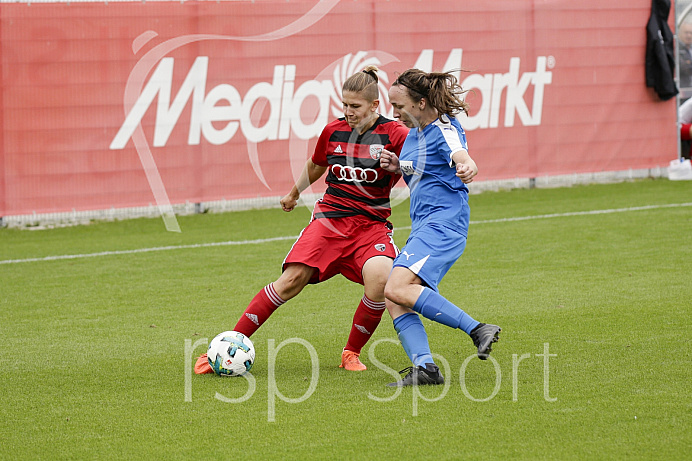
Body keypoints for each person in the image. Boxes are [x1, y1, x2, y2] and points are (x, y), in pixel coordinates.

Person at [195, 65, 410, 374]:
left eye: (355, 106)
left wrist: (399, 167)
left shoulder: (395, 134)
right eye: (345, 105)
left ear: (375, 106)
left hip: (370, 226)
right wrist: (294, 192)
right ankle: (227, 346)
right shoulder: (332, 131)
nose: (348, 112)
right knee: (291, 281)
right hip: (330, 220)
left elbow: (417, 166)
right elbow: (316, 164)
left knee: (380, 279)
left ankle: (351, 353)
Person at [379, 68, 501, 387]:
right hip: (425, 227)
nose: (395, 114)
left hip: (443, 224)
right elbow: (423, 166)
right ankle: (426, 370)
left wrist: (467, 165)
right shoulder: (416, 132)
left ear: (421, 103)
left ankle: (478, 329)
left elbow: (460, 154)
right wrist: (397, 166)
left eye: (399, 107)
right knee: (395, 298)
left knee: (394, 288)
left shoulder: (444, 127)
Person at [678, 20, 692, 91]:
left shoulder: (690, 49)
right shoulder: (677, 49)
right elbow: (685, 68)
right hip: (683, 90)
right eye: (686, 33)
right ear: (679, 34)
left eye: (691, 33)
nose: (689, 35)